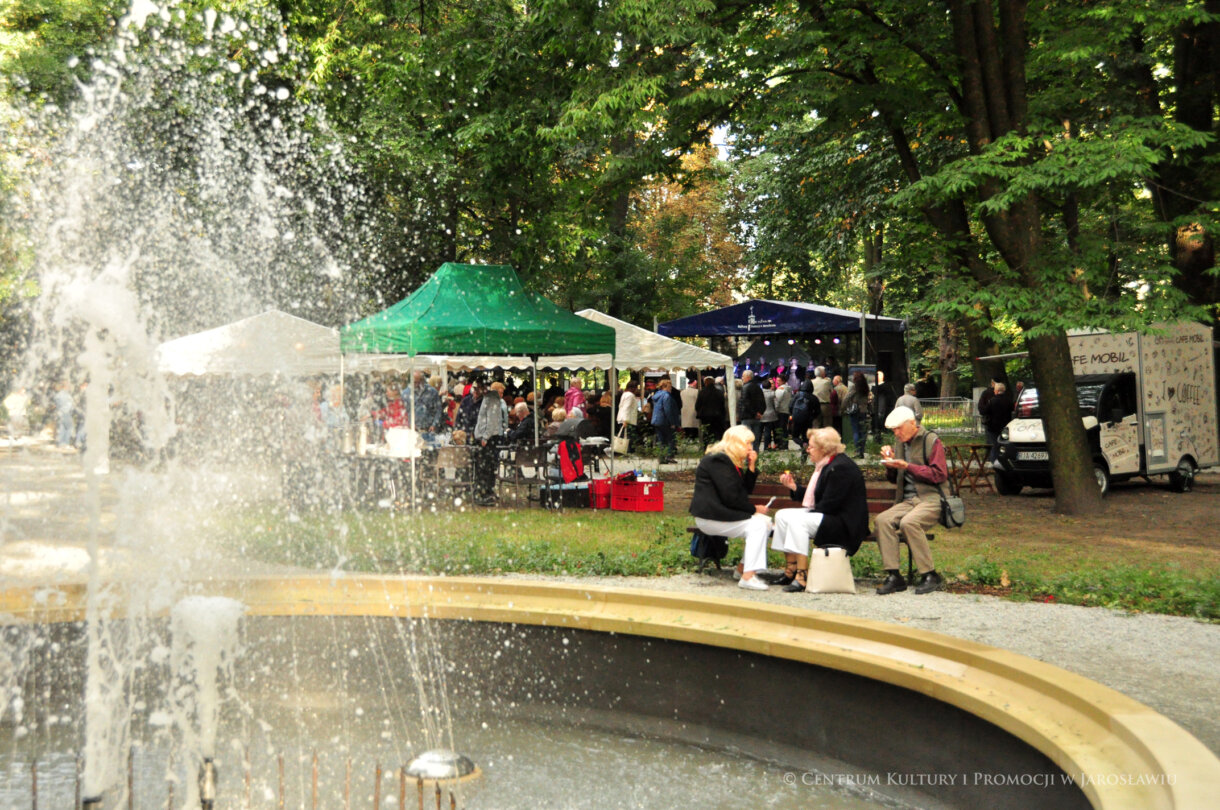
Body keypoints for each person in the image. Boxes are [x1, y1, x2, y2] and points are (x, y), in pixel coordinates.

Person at [769, 427, 870, 592]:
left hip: (844, 523)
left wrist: (805, 514)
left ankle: (802, 575)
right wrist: (794, 487)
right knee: (782, 515)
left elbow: (829, 504)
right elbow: (819, 499)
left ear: (824, 449)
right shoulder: (826, 464)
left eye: (811, 446)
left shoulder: (840, 467)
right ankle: (791, 569)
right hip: (831, 514)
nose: (807, 450)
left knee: (798, 522)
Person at [874, 406, 948, 595]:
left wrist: (908, 466)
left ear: (912, 424)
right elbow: (894, 479)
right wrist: (890, 465)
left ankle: (930, 575)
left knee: (909, 523)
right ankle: (894, 576)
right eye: (893, 430)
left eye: (898, 428)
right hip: (907, 501)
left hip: (931, 498)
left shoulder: (931, 440)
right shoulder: (900, 444)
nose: (896, 433)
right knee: (882, 520)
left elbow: (939, 474)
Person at [688, 425, 772, 590]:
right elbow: (731, 497)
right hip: (711, 516)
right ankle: (748, 577)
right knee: (758, 526)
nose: (751, 448)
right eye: (747, 443)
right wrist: (754, 509)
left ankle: (742, 569)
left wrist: (751, 467)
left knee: (766, 522)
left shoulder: (729, 460)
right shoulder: (718, 460)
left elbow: (743, 492)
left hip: (719, 514)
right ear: (736, 443)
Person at [473, 384, 507, 505]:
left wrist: (485, 437)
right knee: (488, 467)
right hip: (489, 437)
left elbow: (491, 420)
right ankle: (487, 492)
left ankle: (484, 494)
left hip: (487, 438)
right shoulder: (491, 399)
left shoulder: (491, 399)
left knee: (484, 467)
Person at [649, 378, 681, 464]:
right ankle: (669, 456)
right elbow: (668, 410)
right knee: (670, 439)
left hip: (656, 420)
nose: (671, 389)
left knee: (661, 440)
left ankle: (661, 457)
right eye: (670, 387)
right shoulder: (667, 396)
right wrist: (672, 422)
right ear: (665, 387)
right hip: (665, 420)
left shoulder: (657, 395)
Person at [982, 381, 1015, 462]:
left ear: (996, 391)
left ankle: (995, 462)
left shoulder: (992, 401)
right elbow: (1012, 410)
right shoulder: (1008, 401)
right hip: (1005, 427)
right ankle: (1004, 461)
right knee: (1004, 445)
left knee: (994, 446)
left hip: (993, 427)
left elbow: (985, 411)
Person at [695, 375, 727, 449]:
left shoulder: (702, 392)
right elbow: (722, 405)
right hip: (717, 416)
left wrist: (700, 412)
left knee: (706, 433)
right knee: (717, 433)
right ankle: (717, 447)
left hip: (705, 417)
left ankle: (706, 448)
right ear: (713, 383)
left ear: (705, 383)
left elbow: (697, 405)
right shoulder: (719, 392)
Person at [845, 372, 872, 458]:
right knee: (863, 431)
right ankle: (862, 451)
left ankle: (857, 451)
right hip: (863, 410)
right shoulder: (866, 387)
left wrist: (844, 407)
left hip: (855, 411)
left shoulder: (854, 387)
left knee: (855, 431)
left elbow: (847, 398)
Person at [410, 371, 446, 436]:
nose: (415, 385)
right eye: (413, 382)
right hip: (414, 431)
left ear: (422, 381)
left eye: (417, 382)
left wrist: (434, 425)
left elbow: (438, 410)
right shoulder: (409, 392)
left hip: (428, 430)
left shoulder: (432, 392)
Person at [788, 380, 816, 457]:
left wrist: (793, 414)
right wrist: (812, 417)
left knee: (795, 436)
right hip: (808, 420)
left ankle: (802, 444)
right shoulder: (813, 397)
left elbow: (790, 406)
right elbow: (817, 411)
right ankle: (803, 458)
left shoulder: (797, 395)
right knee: (806, 438)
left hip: (797, 419)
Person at [740, 370, 765, 452]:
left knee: (747, 439)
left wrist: (754, 413)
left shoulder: (745, 387)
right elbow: (762, 402)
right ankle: (755, 456)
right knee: (756, 439)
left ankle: (748, 457)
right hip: (757, 417)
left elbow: (745, 403)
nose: (742, 378)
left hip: (747, 416)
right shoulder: (758, 387)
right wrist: (760, 413)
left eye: (743, 376)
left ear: (748, 377)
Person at [617, 381, 640, 451]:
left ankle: (623, 450)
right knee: (628, 437)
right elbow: (626, 407)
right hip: (628, 419)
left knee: (625, 436)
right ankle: (628, 451)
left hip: (622, 418)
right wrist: (625, 420)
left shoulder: (625, 394)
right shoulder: (630, 396)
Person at [53, 381, 76, 450]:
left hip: (60, 412)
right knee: (69, 427)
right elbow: (70, 405)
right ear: (65, 386)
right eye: (68, 386)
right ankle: (65, 443)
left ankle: (60, 443)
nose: (69, 388)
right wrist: (71, 408)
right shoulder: (66, 395)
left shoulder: (58, 394)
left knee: (62, 427)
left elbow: (56, 402)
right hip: (66, 412)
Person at [760, 379, 779, 451]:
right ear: (769, 386)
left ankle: (756, 446)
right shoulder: (773, 393)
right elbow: (776, 405)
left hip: (761, 415)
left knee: (759, 431)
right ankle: (767, 446)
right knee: (768, 431)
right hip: (771, 415)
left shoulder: (759, 394)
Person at [773, 377, 792, 449]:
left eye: (779, 380)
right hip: (786, 411)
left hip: (780, 411)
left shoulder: (780, 390)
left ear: (783, 381)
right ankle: (785, 444)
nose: (777, 382)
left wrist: (775, 409)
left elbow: (777, 401)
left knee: (780, 429)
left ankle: (781, 444)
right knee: (784, 429)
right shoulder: (788, 389)